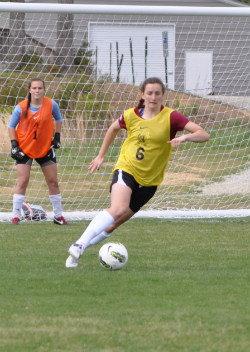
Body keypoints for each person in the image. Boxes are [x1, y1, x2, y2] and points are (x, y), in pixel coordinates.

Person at [65, 77, 209, 268]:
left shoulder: (171, 117)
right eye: (149, 93)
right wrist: (101, 156)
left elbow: (204, 134)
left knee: (113, 224)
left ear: (163, 95)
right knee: (118, 208)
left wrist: (185, 137)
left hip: (150, 182)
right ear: (142, 94)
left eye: (158, 93)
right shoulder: (130, 115)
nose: (153, 96)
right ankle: (79, 244)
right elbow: (113, 128)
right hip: (127, 168)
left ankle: (76, 255)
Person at [8, 78, 68, 225]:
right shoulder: (21, 107)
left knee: (53, 181)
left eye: (40, 88)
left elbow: (58, 118)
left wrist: (57, 136)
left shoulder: (51, 104)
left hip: (45, 148)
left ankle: (58, 216)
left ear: (44, 90)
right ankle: (16, 216)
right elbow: (11, 126)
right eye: (34, 88)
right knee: (23, 181)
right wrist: (14, 145)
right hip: (25, 148)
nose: (37, 91)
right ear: (29, 90)